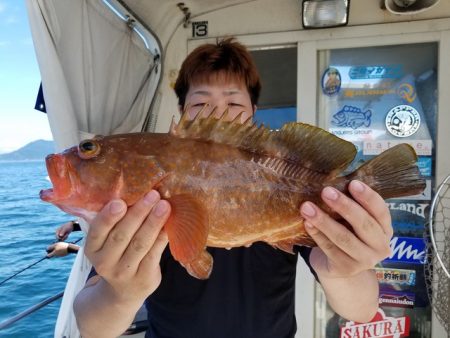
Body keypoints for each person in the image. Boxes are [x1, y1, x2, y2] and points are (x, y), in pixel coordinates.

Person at [73, 38, 392, 338]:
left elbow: (362, 310)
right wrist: (120, 292)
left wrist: (345, 271)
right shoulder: (141, 203)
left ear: (253, 113)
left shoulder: (297, 195)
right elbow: (92, 327)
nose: (218, 114)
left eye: (233, 103)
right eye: (200, 104)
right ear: (183, 112)